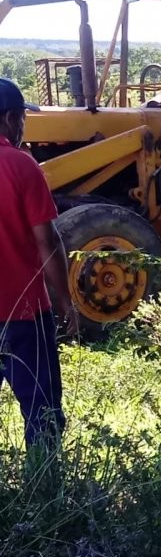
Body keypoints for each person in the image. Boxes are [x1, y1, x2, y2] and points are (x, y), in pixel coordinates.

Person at [0, 77, 78, 449]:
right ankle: (45, 494)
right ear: (11, 119)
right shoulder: (21, 165)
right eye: (22, 119)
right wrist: (65, 301)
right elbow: (47, 240)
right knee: (42, 410)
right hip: (24, 313)